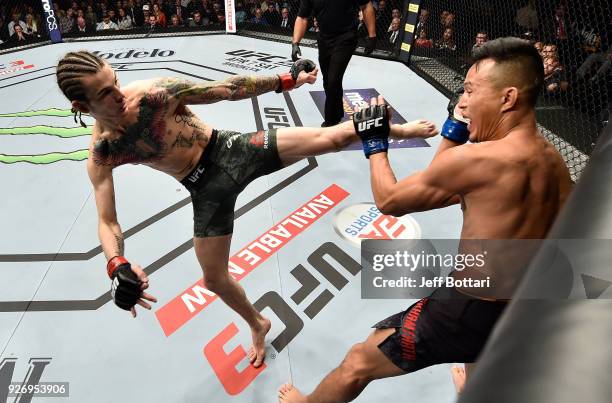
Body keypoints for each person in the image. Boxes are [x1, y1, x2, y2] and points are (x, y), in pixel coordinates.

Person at [55, 51, 437, 369]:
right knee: (213, 279)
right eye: (105, 93)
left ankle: (397, 131)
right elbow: (107, 220)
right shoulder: (103, 151)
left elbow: (225, 90)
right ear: (81, 106)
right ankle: (258, 323)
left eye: (115, 80)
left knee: (332, 136)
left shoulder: (150, 95)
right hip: (204, 189)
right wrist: (117, 264)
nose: (118, 94)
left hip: (232, 149)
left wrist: (286, 80)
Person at [277, 37, 573, 403]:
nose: (462, 101)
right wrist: (454, 130)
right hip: (526, 309)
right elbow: (446, 187)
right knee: (480, 351)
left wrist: (374, 142)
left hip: (465, 310)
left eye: (469, 91)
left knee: (358, 361)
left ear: (507, 98)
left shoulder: (481, 160)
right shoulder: (554, 163)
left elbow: (390, 200)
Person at [291, 0, 377, 127]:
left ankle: (331, 122)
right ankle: (336, 114)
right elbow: (302, 17)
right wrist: (295, 42)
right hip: (324, 38)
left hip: (346, 37)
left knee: (333, 79)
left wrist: (372, 35)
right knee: (328, 80)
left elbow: (366, 5)